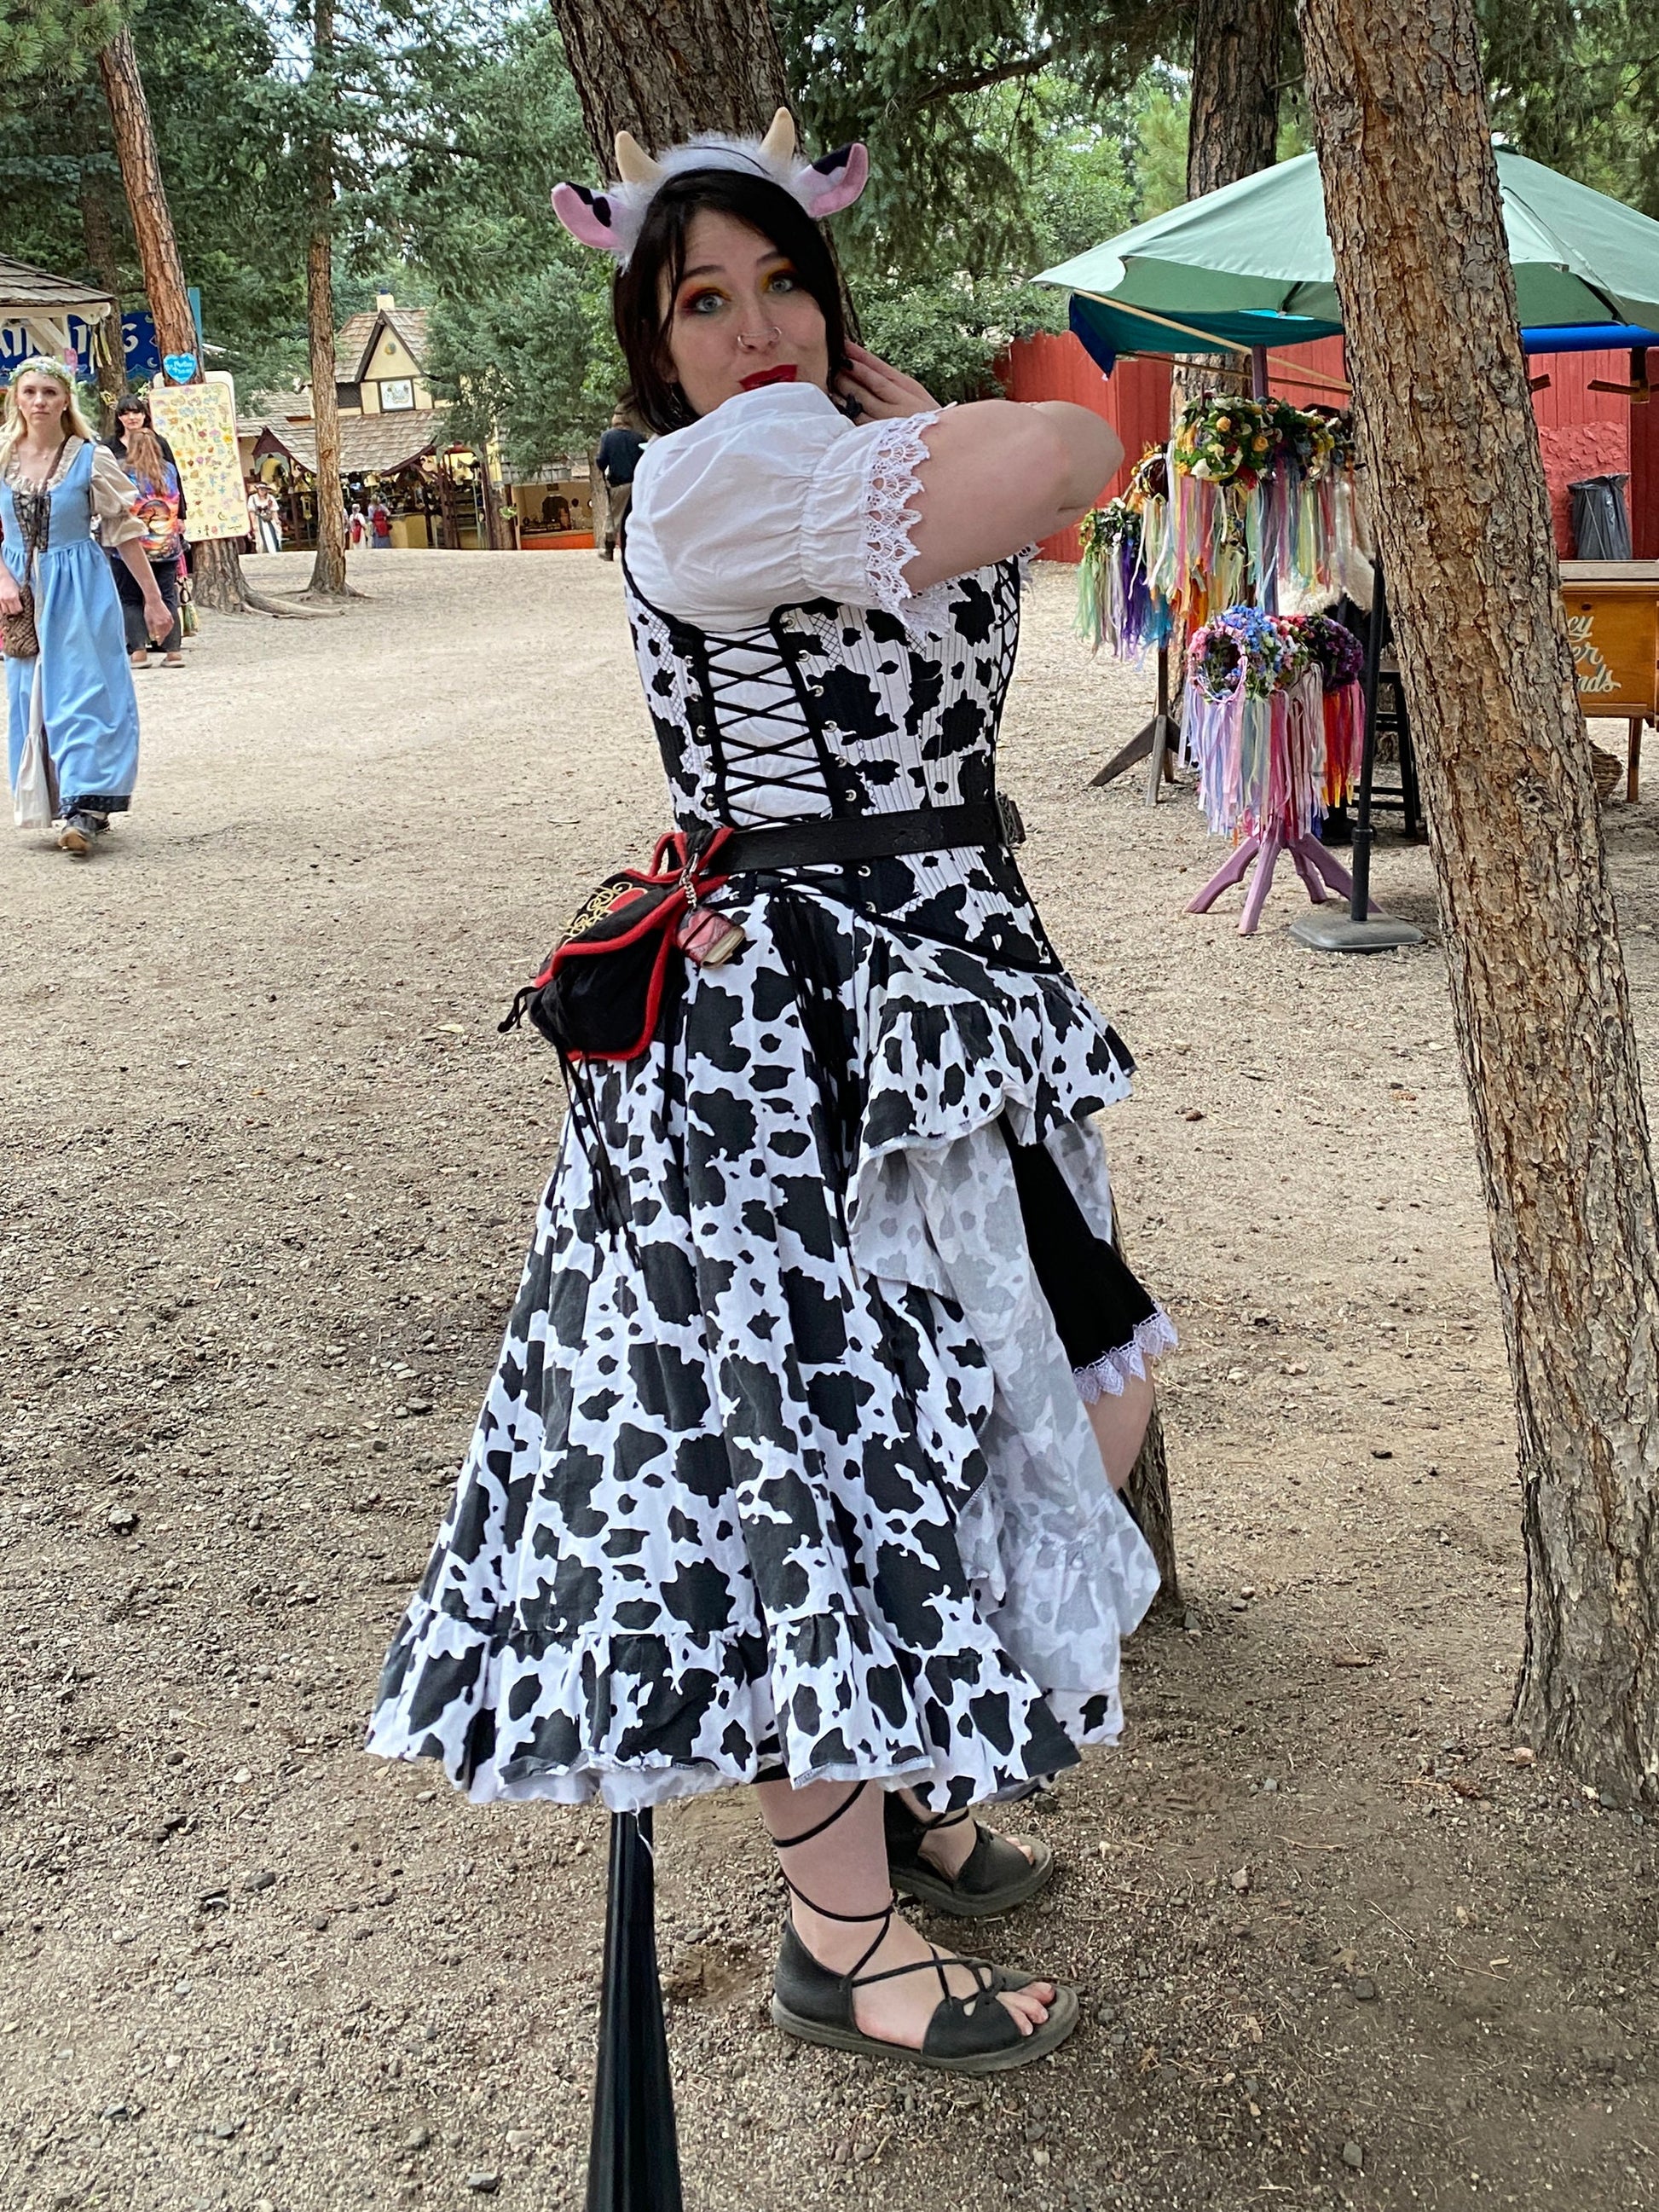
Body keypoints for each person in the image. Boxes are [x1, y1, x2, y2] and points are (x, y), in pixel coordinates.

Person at [367, 114, 1173, 2076]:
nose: (751, 327)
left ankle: (905, 1800)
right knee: (815, 1480)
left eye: (781, 282)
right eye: (700, 302)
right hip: (789, 1037)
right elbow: (1074, 452)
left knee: (1073, 1377)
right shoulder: (717, 486)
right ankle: (843, 1935)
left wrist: (906, 426)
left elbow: (1005, 516)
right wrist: (986, 424)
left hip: (950, 1001)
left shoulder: (824, 456)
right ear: (657, 351)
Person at [2, 358, 171, 855]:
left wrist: (155, 600)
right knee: (30, 696)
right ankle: (55, 799)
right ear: (16, 397)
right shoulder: (2, 455)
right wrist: (4, 578)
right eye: (29, 391)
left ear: (65, 400)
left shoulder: (88, 457)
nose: (39, 402)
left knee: (83, 693)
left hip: (79, 583)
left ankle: (86, 807)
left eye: (49, 392)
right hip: (22, 592)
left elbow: (123, 530)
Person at [105, 392, 187, 669]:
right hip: (166, 544)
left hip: (133, 545)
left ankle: (138, 651)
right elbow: (177, 500)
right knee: (167, 594)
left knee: (129, 597)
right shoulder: (169, 472)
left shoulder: (121, 471)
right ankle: (173, 650)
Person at [593, 404, 645, 559]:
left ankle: (609, 550)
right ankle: (637, 550)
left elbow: (602, 461)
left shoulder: (608, 437)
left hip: (618, 485)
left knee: (613, 518)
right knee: (635, 516)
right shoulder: (638, 437)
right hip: (637, 485)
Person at [246, 482, 282, 554]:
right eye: (261, 489)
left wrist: (277, 521)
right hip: (259, 520)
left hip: (270, 520)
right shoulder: (252, 498)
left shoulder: (270, 498)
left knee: (274, 535)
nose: (262, 491)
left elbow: (274, 510)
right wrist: (254, 524)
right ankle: (263, 552)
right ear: (258, 490)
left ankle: (274, 551)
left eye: (264, 489)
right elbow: (251, 512)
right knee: (260, 540)